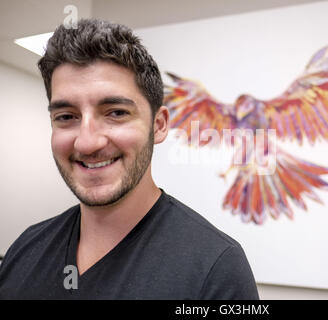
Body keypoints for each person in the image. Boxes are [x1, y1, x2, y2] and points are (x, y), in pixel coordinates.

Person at [0, 18, 259, 300]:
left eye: (116, 113)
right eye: (66, 117)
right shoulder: (25, 249)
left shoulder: (215, 269)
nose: (87, 142)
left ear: (158, 125)